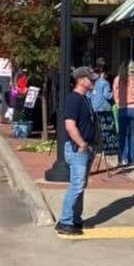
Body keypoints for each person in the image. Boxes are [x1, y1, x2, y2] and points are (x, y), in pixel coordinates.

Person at [55, 67, 97, 237]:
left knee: (80, 186)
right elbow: (69, 125)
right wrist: (81, 144)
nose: (93, 81)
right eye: (90, 79)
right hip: (78, 149)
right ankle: (65, 221)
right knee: (76, 185)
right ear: (81, 80)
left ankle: (75, 218)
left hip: (86, 148)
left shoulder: (85, 99)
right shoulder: (73, 99)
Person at [113, 60, 134, 166]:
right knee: (133, 134)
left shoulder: (118, 79)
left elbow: (115, 95)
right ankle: (132, 158)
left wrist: (118, 105)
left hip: (122, 108)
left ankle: (123, 158)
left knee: (122, 134)